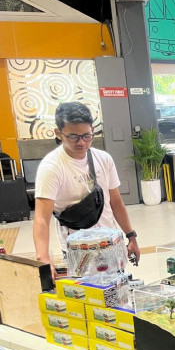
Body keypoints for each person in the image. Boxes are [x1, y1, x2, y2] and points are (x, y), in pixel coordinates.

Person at [33, 101, 140, 278]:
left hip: (110, 247)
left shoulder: (103, 159)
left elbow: (115, 202)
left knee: (118, 296)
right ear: (59, 133)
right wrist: (44, 258)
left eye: (87, 136)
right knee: (87, 300)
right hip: (78, 253)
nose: (81, 142)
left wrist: (131, 236)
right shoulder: (52, 167)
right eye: (73, 136)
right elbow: (41, 218)